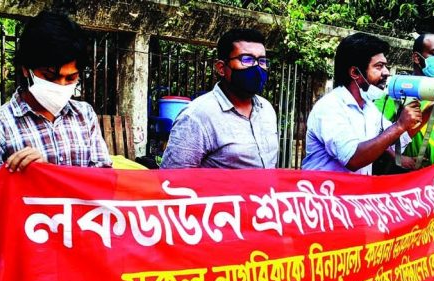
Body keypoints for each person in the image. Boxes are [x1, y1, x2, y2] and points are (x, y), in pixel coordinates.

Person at [0, 11, 112, 281]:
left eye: (71, 77)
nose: (62, 86)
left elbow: (106, 189)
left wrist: (51, 178)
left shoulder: (85, 117)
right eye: (51, 77)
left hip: (86, 267)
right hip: (29, 277)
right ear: (26, 71)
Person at [302, 32, 420, 173]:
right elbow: (353, 159)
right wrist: (400, 125)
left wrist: (432, 111)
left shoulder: (368, 107)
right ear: (355, 73)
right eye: (379, 66)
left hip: (353, 193)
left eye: (385, 66)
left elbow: (395, 141)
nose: (386, 72)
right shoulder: (330, 107)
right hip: (327, 192)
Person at [160, 28, 278, 169]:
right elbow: (173, 180)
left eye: (262, 61)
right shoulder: (196, 116)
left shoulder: (267, 109)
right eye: (247, 59)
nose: (257, 67)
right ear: (221, 68)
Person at [374, 33, 434, 172]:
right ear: (416, 57)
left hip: (431, 178)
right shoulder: (396, 90)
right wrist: (397, 157)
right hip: (403, 177)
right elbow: (373, 134)